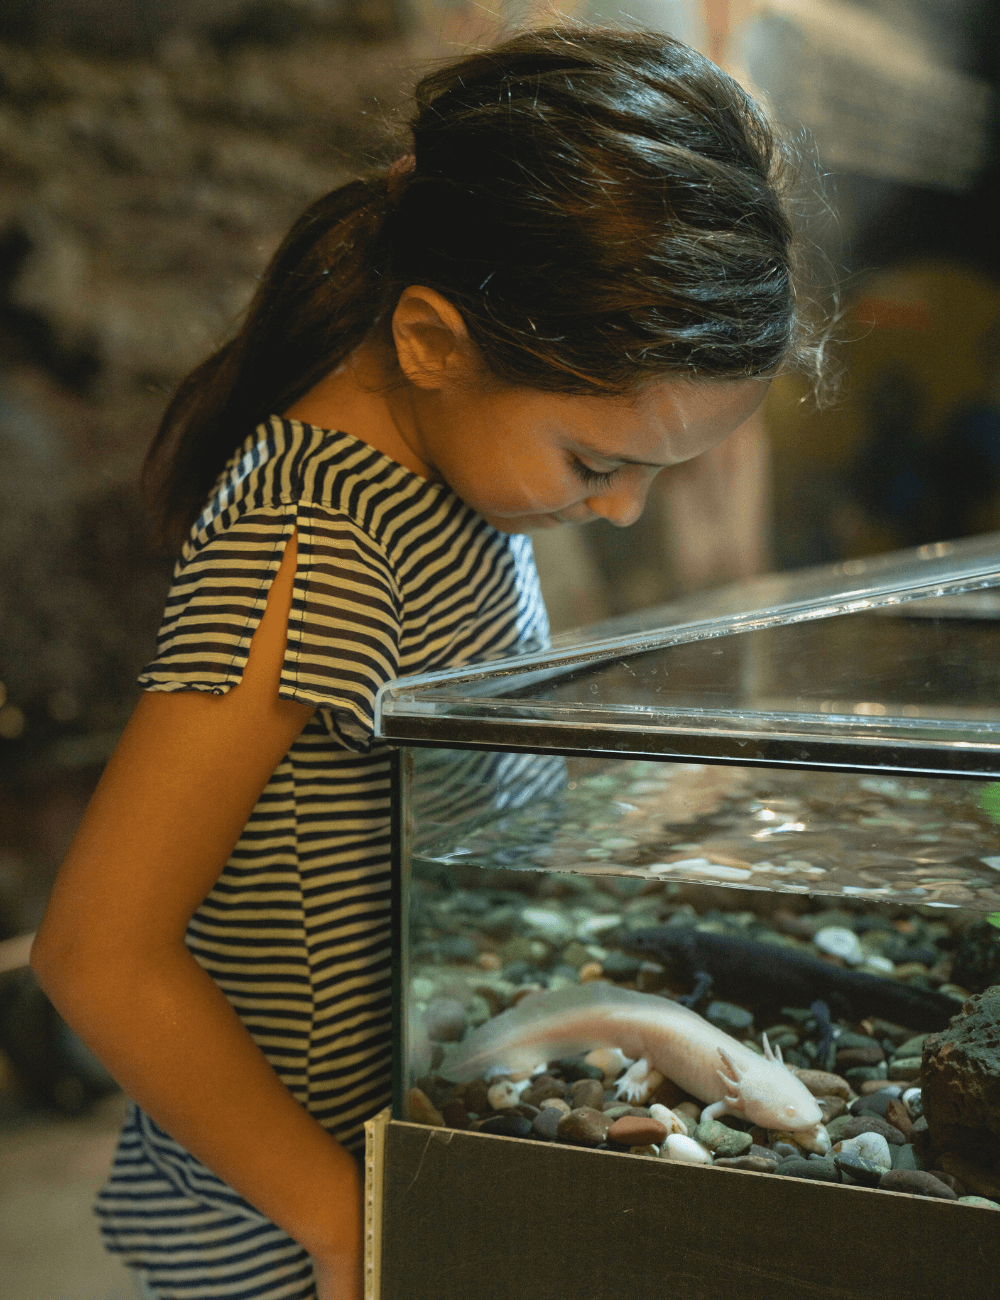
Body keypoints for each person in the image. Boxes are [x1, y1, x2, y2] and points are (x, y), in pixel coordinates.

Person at [30, 24, 823, 1300]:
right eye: (597, 462)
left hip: (389, 1139)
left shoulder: (450, 483)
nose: (621, 513)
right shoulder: (318, 533)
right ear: (433, 341)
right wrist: (342, 1222)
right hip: (278, 1214)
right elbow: (98, 951)